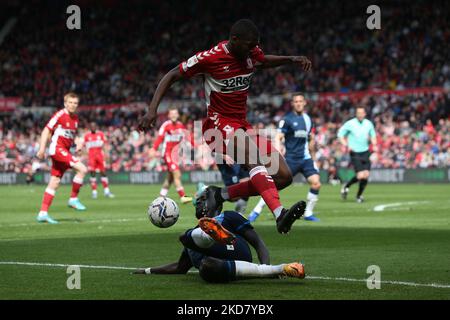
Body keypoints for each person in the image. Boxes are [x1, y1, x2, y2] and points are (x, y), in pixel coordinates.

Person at [138, 19, 312, 234]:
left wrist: (290, 59)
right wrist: (152, 110)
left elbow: (263, 61)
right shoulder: (210, 58)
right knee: (254, 160)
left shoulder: (250, 52)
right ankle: (279, 214)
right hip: (219, 125)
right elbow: (172, 74)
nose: (253, 49)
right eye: (249, 45)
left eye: (255, 45)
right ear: (234, 40)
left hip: (242, 125)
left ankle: (219, 194)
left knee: (283, 176)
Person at [133, 192, 305, 283]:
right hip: (218, 266)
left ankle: (211, 234)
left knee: (185, 238)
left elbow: (257, 242)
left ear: (215, 203)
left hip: (238, 252)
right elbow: (180, 267)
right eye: (198, 200)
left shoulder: (230, 215)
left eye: (203, 199)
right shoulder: (192, 243)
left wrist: (265, 267)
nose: (198, 203)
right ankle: (283, 268)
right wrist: (148, 270)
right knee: (206, 265)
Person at [249, 93, 321, 222]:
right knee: (275, 186)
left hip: (305, 159)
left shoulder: (308, 119)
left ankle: (308, 213)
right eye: (296, 101)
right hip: (291, 159)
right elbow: (278, 136)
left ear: (304, 103)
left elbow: (310, 139)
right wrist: (278, 153)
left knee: (316, 183)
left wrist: (313, 157)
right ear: (293, 104)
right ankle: (256, 210)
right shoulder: (287, 119)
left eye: (300, 101)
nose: (298, 103)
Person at [35, 92, 88, 224]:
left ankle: (43, 213)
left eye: (75, 103)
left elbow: (71, 136)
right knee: (82, 169)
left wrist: (78, 144)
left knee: (54, 182)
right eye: (70, 102)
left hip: (64, 150)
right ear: (65, 103)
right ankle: (73, 199)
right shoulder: (60, 115)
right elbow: (46, 130)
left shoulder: (75, 119)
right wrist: (42, 148)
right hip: (57, 150)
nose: (72, 105)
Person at [150, 107, 193, 204]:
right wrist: (154, 148)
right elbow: (160, 137)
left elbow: (187, 137)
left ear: (178, 115)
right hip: (167, 153)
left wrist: (195, 145)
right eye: (171, 114)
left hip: (175, 155)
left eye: (175, 113)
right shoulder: (166, 125)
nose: (173, 115)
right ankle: (183, 196)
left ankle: (160, 197)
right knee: (177, 174)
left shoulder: (180, 126)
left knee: (170, 178)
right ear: (169, 115)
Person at [338, 107, 378, 203]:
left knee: (366, 175)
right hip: (355, 152)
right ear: (356, 114)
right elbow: (340, 134)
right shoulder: (350, 123)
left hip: (365, 151)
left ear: (365, 114)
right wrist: (346, 144)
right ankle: (346, 186)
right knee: (360, 175)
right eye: (358, 113)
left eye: (361, 113)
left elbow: (373, 135)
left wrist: (375, 144)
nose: (360, 114)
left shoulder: (368, 123)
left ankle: (359, 196)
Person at [83, 122, 114, 199]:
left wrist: (106, 155)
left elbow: (104, 146)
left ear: (96, 127)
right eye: (91, 126)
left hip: (100, 156)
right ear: (90, 127)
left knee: (103, 173)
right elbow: (84, 147)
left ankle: (106, 191)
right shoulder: (87, 136)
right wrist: (86, 156)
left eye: (94, 126)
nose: (93, 128)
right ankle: (94, 192)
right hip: (91, 157)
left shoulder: (100, 134)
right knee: (92, 173)